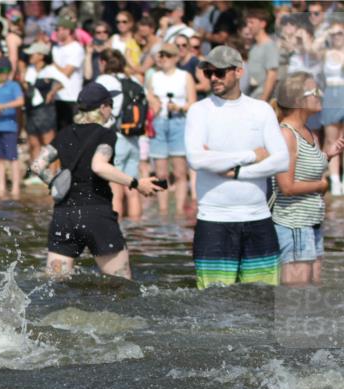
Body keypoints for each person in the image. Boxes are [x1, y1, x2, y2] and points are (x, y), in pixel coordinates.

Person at [30, 83, 163, 280]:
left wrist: (55, 183)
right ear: (102, 108)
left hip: (64, 216)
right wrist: (136, 183)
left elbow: (37, 166)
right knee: (121, 285)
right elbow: (99, 166)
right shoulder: (105, 134)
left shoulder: (64, 133)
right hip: (96, 214)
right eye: (110, 104)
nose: (111, 109)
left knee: (53, 286)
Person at [185, 46, 290, 289]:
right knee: (213, 302)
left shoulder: (261, 109)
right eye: (208, 72)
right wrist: (251, 155)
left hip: (258, 218)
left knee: (264, 299)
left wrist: (238, 171)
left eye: (219, 72)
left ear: (239, 71)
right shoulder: (199, 111)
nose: (213, 78)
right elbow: (196, 159)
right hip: (213, 219)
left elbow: (281, 160)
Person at [271, 74, 344, 285]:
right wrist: (322, 185)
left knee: (312, 293)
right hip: (293, 224)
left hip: (312, 221)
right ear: (297, 101)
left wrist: (328, 154)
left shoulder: (310, 133)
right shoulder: (286, 134)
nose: (320, 95)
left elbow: (305, 169)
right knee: (295, 296)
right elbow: (286, 185)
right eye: (314, 92)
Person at [145, 42, 196, 214]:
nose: (163, 59)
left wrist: (179, 108)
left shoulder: (185, 76)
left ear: (175, 58)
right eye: (161, 55)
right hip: (159, 122)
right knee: (160, 172)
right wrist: (154, 104)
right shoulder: (154, 76)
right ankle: (163, 211)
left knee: (181, 171)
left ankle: (180, 211)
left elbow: (193, 104)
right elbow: (149, 100)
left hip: (178, 122)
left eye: (167, 55)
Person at [97, 49, 145, 220]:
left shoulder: (104, 80)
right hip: (133, 138)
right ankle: (135, 232)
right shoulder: (134, 80)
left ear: (103, 63)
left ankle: (115, 232)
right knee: (132, 189)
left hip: (114, 138)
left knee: (115, 190)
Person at [23, 42, 65, 184]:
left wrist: (53, 91)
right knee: (34, 142)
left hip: (45, 110)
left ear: (41, 56)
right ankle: (37, 173)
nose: (30, 56)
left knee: (49, 144)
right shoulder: (30, 70)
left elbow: (62, 82)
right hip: (31, 110)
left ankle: (53, 173)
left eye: (33, 54)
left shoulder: (50, 70)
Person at [0, 56, 24, 198]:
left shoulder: (14, 86)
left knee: (13, 157)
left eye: (5, 70)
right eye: (0, 71)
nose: (3, 73)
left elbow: (20, 101)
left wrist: (4, 106)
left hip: (10, 126)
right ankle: (1, 186)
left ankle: (15, 187)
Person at [51, 14, 84, 131]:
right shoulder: (55, 48)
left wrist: (52, 64)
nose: (55, 33)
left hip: (72, 98)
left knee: (72, 134)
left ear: (67, 30)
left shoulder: (77, 48)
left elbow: (66, 73)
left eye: (57, 29)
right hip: (57, 97)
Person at [323, 19, 344, 195]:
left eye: (339, 33)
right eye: (333, 33)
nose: (336, 37)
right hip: (330, 95)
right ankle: (335, 181)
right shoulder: (325, 53)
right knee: (332, 140)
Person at [244, 9, 278, 102]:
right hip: (252, 96)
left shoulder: (269, 45)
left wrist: (264, 99)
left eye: (252, 22)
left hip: (262, 99)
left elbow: (272, 75)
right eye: (247, 23)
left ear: (262, 24)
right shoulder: (254, 46)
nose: (248, 26)